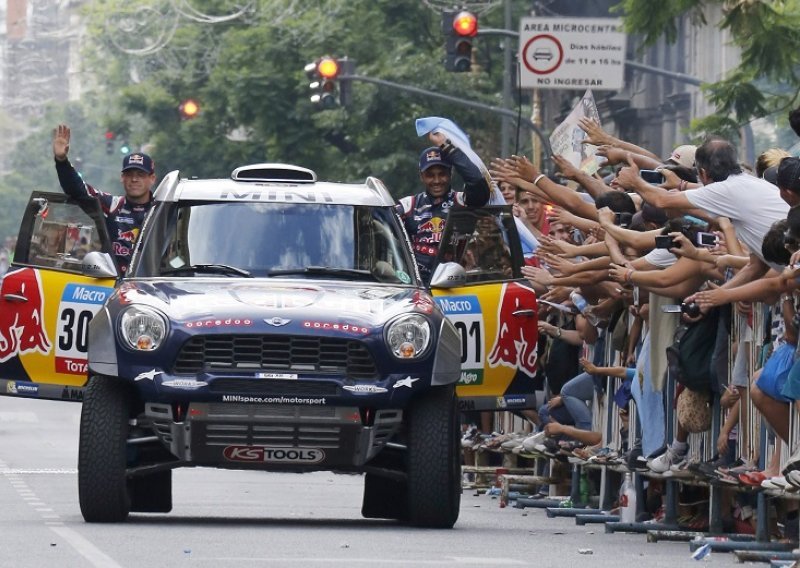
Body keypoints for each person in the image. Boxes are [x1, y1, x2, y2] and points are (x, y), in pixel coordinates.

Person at [52, 124, 156, 276]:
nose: (134, 179)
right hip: (113, 286)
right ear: (122, 178)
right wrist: (61, 161)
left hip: (153, 287)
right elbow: (78, 190)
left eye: (140, 174)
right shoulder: (111, 205)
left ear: (152, 179)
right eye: (129, 174)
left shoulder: (162, 210)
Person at [397, 132, 490, 282]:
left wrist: (447, 147)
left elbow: (478, 183)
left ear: (451, 173)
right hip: (415, 283)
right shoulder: (408, 206)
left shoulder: (462, 201)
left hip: (454, 283)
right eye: (430, 175)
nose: (437, 180)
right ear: (421, 176)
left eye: (442, 174)